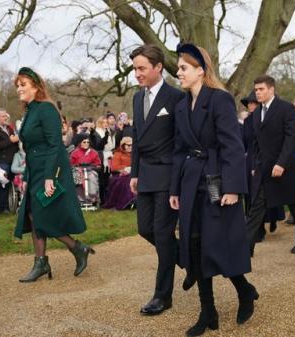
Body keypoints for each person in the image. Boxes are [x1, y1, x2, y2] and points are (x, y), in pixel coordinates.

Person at [170, 43, 257, 336]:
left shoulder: (220, 100)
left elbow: (233, 146)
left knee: (218, 245)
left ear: (200, 70)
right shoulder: (181, 106)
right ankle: (208, 312)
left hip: (217, 182)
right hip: (190, 182)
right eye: (178, 67)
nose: (177, 72)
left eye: (183, 67)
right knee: (194, 246)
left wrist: (232, 187)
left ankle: (244, 291)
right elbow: (178, 150)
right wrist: (174, 189)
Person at [14, 67, 94, 282]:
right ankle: (42, 261)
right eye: (18, 85)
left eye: (23, 85)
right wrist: (26, 174)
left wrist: (49, 177)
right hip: (34, 170)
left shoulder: (46, 109)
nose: (19, 89)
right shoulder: (30, 110)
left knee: (41, 215)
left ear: (36, 87)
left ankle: (76, 248)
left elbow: (54, 145)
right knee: (33, 214)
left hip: (49, 170)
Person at [129, 44, 186, 316]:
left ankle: (162, 296)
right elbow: (138, 139)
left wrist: (178, 182)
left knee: (163, 235)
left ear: (158, 67)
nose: (137, 74)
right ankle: (188, 259)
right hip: (146, 175)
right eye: (135, 69)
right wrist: (135, 173)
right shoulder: (137, 98)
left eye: (141, 68)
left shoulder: (176, 98)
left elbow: (180, 144)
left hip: (168, 176)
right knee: (145, 229)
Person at [246, 75, 295, 255]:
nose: (257, 93)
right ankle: (246, 246)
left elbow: (292, 138)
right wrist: (254, 165)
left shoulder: (286, 108)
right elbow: (256, 143)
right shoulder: (257, 113)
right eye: (256, 90)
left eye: (261, 89)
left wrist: (281, 163)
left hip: (286, 167)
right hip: (264, 168)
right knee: (256, 206)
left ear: (271, 89)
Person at [240, 90, 284, 241]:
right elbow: (244, 142)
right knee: (251, 195)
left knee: (265, 192)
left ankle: (271, 219)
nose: (251, 106)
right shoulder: (246, 121)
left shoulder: (265, 118)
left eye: (253, 103)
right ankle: (256, 230)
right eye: (249, 104)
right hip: (249, 160)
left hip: (264, 158)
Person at [103, 136, 136, 210]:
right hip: (119, 174)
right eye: (128, 145)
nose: (130, 147)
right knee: (124, 181)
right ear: (123, 145)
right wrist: (125, 168)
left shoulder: (135, 154)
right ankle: (128, 201)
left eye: (132, 145)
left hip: (134, 173)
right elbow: (114, 167)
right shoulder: (118, 154)